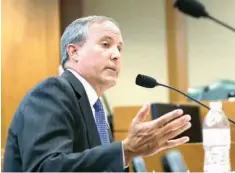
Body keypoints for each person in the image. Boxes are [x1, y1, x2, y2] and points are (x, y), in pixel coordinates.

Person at [3, 15, 192, 172]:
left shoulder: (95, 107)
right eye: (105, 44)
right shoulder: (52, 92)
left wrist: (126, 153)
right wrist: (125, 151)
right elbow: (45, 168)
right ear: (74, 52)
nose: (116, 55)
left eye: (119, 48)